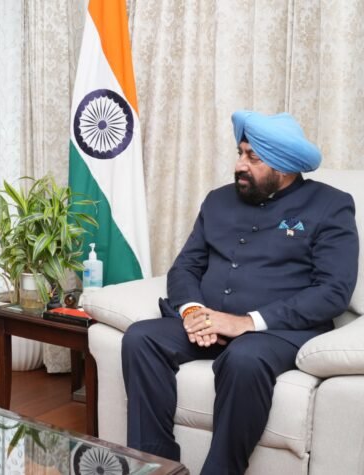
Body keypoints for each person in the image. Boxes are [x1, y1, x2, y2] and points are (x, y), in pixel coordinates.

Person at [121, 110, 359, 474]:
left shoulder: (330, 205)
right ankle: (154, 467)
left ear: (284, 165)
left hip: (277, 332)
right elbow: (185, 267)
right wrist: (193, 311)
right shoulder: (218, 200)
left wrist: (246, 322)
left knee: (244, 358)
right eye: (240, 153)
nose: (239, 165)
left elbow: (333, 291)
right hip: (208, 321)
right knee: (141, 338)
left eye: (253, 158)